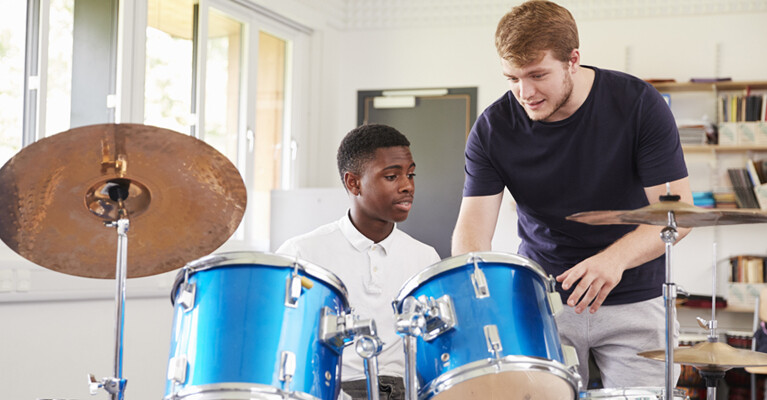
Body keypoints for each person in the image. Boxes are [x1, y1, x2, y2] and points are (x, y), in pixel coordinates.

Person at [451, 0, 693, 389]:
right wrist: (483, 294)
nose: (524, 92)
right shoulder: (492, 128)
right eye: (512, 78)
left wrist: (612, 260)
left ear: (573, 60)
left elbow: (677, 214)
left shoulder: (638, 104)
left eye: (537, 75)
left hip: (634, 296)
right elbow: (471, 233)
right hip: (541, 301)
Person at [276, 124, 440, 400]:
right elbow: (281, 344)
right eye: (391, 176)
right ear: (353, 183)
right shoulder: (302, 254)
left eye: (410, 174)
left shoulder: (425, 258)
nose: (407, 186)